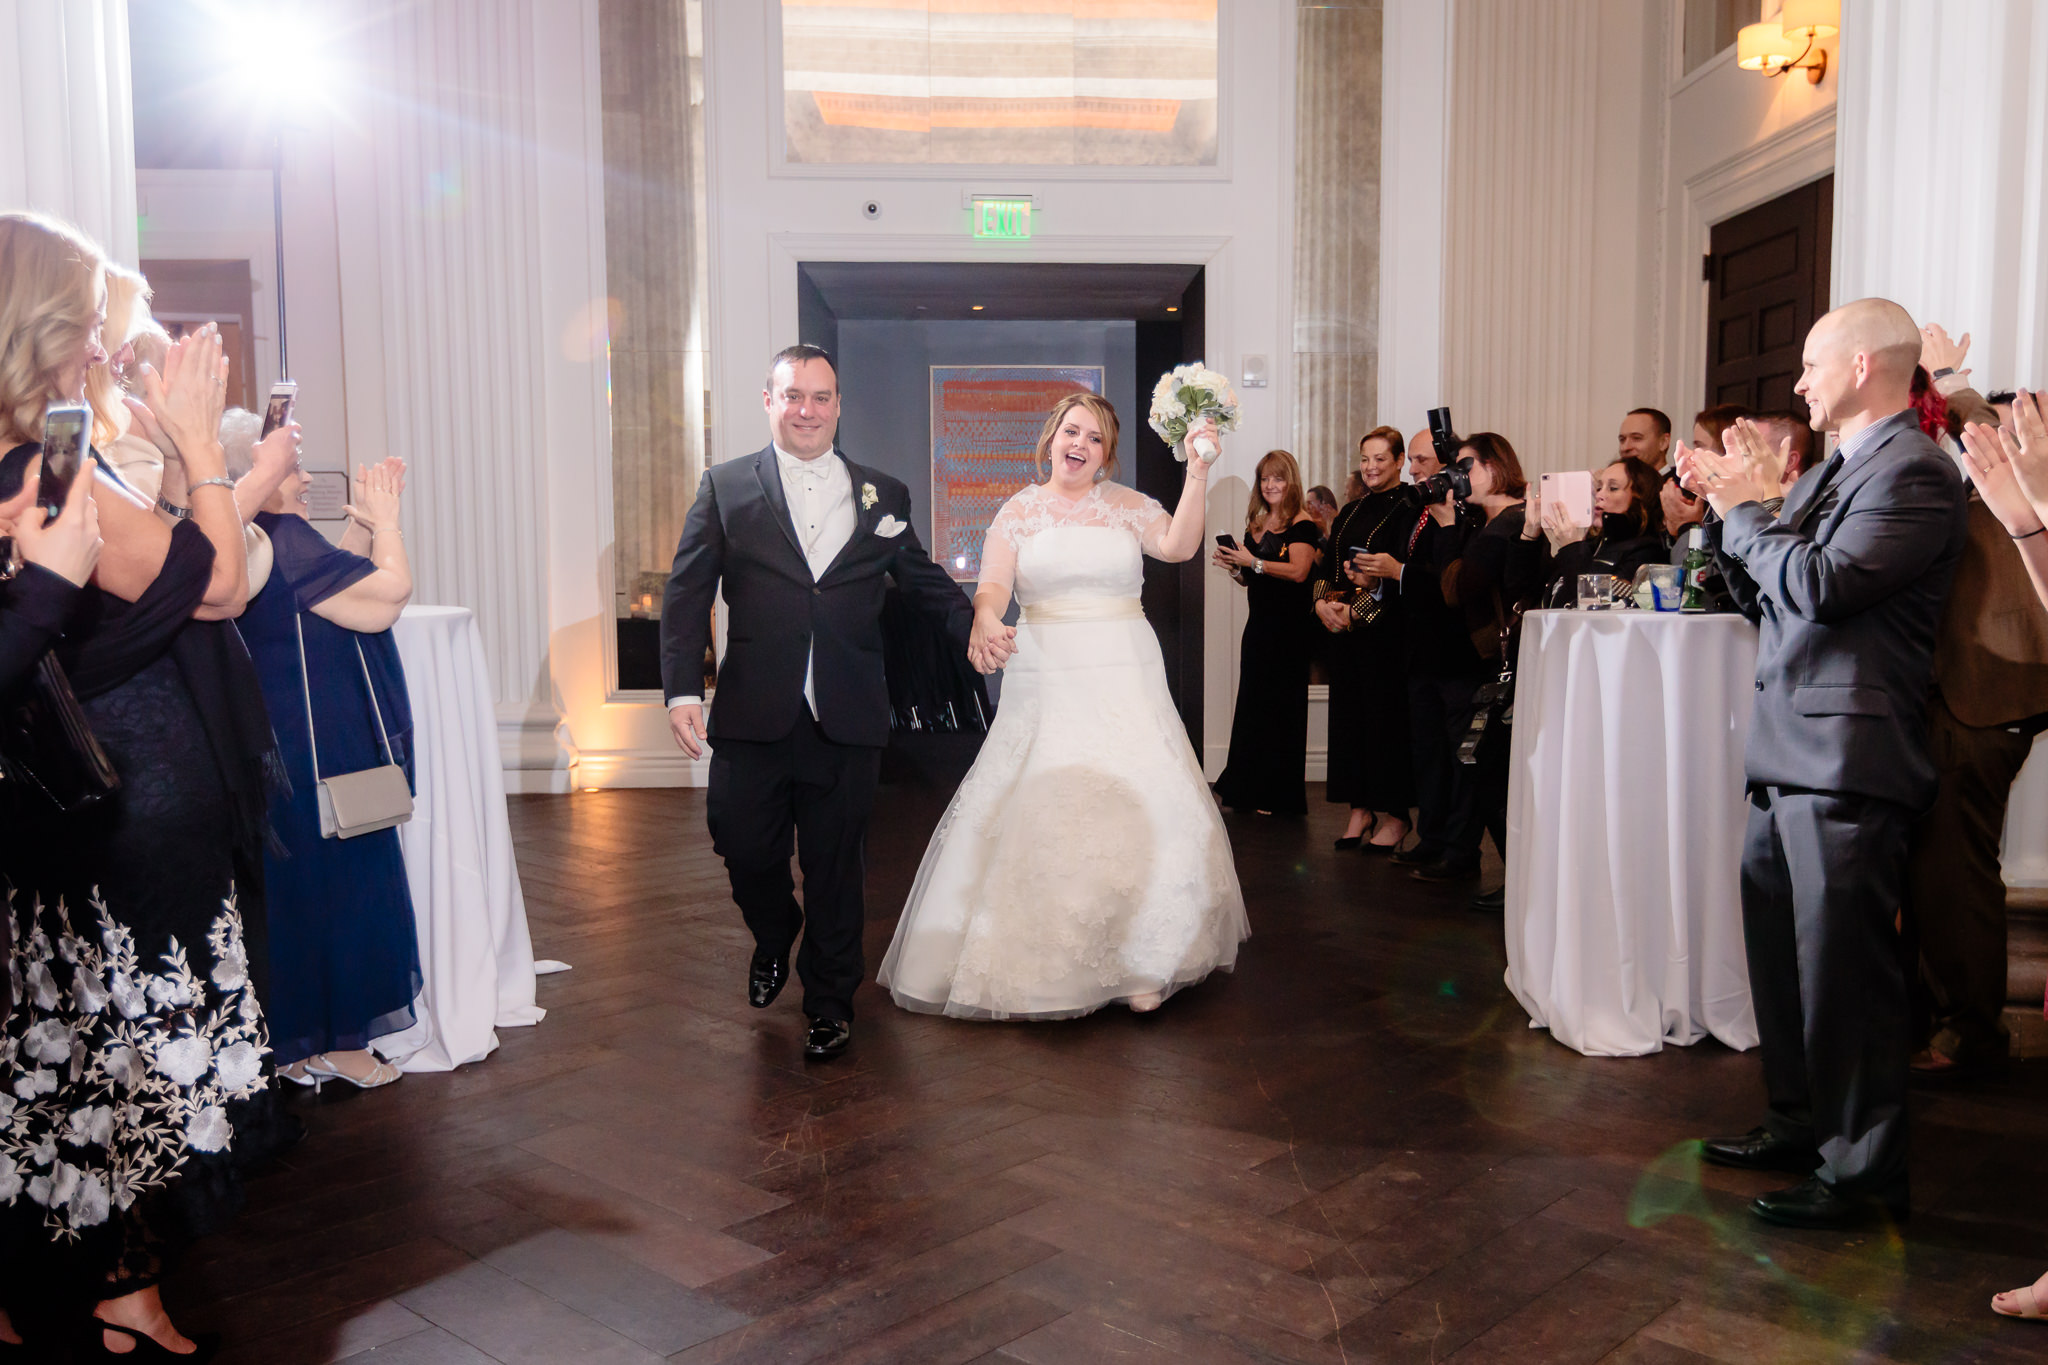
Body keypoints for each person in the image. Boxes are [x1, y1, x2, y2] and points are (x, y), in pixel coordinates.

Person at [0, 211, 279, 1359]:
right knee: (138, 1059)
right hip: (131, 806)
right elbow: (213, 588)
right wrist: (206, 453)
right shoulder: (42, 472)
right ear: (55, 328)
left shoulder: (45, 460)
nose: (115, 349)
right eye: (101, 327)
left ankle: (76, 1292)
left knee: (72, 1055)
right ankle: (126, 1293)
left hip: (83, 808)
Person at [1681, 297, 1967, 1230]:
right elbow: (1765, 594)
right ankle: (1799, 1122)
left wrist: (1749, 512)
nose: (1798, 383)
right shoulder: (1833, 471)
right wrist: (1724, 521)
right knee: (1785, 961)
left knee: (1847, 974)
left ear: (1859, 367)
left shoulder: (1916, 472)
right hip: (1787, 746)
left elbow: (1825, 586)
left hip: (1847, 755)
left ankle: (1864, 1173)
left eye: (1811, 364)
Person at [877, 396, 1245, 1018]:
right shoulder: (1017, 512)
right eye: (1072, 431)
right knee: (1052, 802)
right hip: (1047, 671)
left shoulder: (1128, 506)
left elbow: (1179, 546)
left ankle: (1144, 959)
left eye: (1095, 438)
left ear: (1106, 453)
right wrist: (987, 618)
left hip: (1126, 668)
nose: (1081, 444)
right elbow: (992, 588)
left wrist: (1198, 471)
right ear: (1051, 438)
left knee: (1140, 794)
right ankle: (1055, 960)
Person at [661, 344, 973, 1061]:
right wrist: (682, 688)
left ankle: (830, 1002)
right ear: (768, 401)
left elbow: (923, 582)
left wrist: (979, 628)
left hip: (848, 713)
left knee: (838, 865)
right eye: (793, 395)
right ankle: (774, 929)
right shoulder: (725, 486)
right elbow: (685, 595)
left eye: (821, 396)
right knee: (741, 843)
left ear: (838, 405)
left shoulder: (884, 496)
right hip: (751, 711)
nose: (807, 408)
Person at [228, 406, 423, 1093]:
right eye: (292, 467)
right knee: (340, 885)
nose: (305, 477)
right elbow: (384, 598)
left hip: (285, 739)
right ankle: (338, 1042)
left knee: (298, 892)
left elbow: (332, 581)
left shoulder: (260, 536)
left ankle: (296, 1042)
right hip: (318, 747)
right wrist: (390, 523)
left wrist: (364, 525)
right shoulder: (279, 535)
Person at [1413, 434, 1532, 902]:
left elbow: (1458, 589)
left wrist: (1445, 526)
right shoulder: (1494, 521)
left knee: (1492, 776)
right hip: (1495, 661)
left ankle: (1522, 880)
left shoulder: (1509, 524)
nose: (1459, 478)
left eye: (1466, 467)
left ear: (1494, 466)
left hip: (1504, 664)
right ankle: (1519, 879)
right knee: (1487, 773)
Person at [1316, 427, 1417, 850]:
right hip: (1344, 635)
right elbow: (1330, 569)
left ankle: (1395, 815)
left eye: (1380, 459)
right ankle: (1359, 809)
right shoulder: (1350, 511)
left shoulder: (1411, 507)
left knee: (1385, 724)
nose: (1371, 467)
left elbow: (1402, 575)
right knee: (1349, 724)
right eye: (1365, 459)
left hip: (1387, 636)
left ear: (1398, 462)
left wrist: (1358, 611)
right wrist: (1323, 604)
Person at [1391, 426, 1483, 873]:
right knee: (1426, 752)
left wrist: (1401, 573)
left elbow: (1454, 584)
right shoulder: (1417, 512)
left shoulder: (1468, 516)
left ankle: (1461, 850)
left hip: (1459, 653)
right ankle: (1431, 835)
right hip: (1420, 652)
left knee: (1459, 756)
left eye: (1422, 460)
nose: (1414, 469)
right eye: (1410, 460)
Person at [1212, 448, 1321, 816]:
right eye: (1265, 478)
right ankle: (1247, 789)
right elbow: (1249, 580)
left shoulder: (1303, 524)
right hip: (1258, 628)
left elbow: (1299, 572)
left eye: (1278, 478)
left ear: (1290, 482)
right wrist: (1234, 566)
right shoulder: (1256, 525)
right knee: (1253, 708)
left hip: (1289, 632)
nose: (1271, 485)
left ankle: (1278, 794)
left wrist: (1252, 561)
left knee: (1282, 711)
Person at [1516, 456, 1666, 604]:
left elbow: (1597, 605)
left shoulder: (1647, 551)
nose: (1599, 495)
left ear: (1641, 499)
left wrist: (1572, 548)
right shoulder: (1594, 543)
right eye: (1599, 487)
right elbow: (1521, 590)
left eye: (1613, 488)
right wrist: (1530, 535)